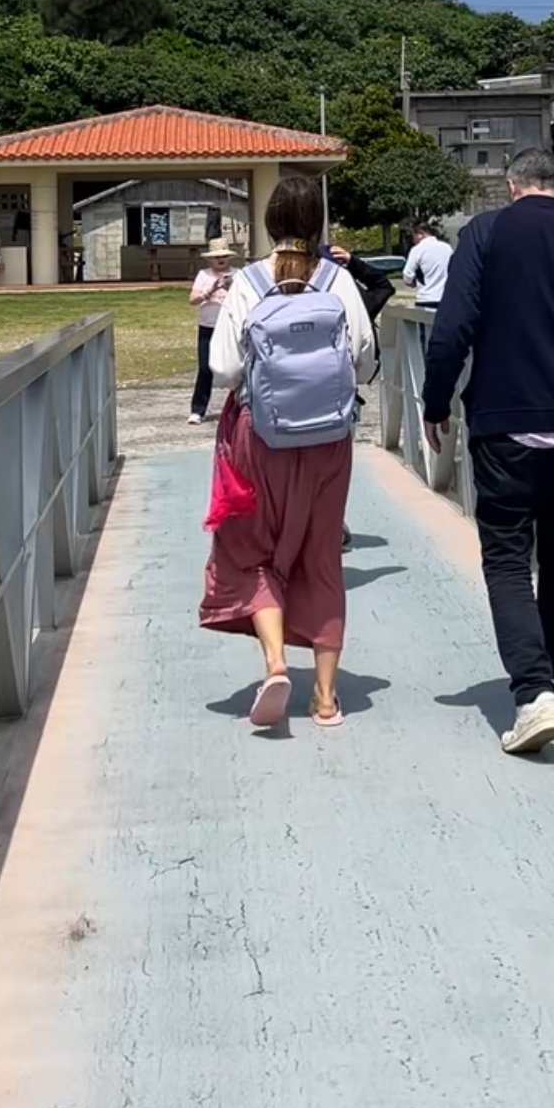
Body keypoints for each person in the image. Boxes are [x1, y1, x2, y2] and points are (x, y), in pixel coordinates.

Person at [422, 149, 554, 757]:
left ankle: (533, 691)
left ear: (511, 186)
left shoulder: (486, 232)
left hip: (505, 423)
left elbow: (452, 329)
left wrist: (436, 402)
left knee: (509, 559)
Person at [201, 174, 375, 729]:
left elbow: (225, 369)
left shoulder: (247, 284)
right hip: (328, 440)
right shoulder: (339, 282)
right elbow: (365, 361)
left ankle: (275, 663)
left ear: (271, 224)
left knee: (251, 550)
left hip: (260, 438)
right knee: (322, 557)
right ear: (316, 227)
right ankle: (325, 699)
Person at [322, 245, 394, 551]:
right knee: (334, 467)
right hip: (340, 396)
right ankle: (330, 524)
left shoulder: (286, 298)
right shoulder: (355, 301)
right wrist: (353, 262)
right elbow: (384, 285)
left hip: (289, 399)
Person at [187, 239, 236, 424]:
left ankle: (237, 407)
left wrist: (230, 287)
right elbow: (192, 300)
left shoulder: (237, 274)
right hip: (208, 326)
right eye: (217, 257)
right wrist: (210, 290)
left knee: (235, 368)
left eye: (224, 256)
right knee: (205, 368)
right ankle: (198, 410)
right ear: (210, 260)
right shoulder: (204, 275)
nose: (220, 260)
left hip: (230, 326)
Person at [402, 220, 452, 307]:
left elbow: (407, 275)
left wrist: (412, 283)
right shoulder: (447, 248)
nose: (413, 240)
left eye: (413, 236)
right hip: (445, 298)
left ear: (420, 234)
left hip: (425, 298)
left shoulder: (417, 250)